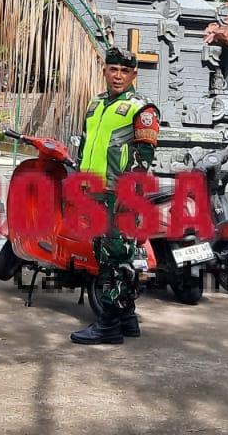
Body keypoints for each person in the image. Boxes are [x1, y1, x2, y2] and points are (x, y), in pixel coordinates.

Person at [70, 47, 160, 345]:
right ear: (105, 71)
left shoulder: (142, 108)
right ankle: (126, 318)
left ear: (134, 74)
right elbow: (86, 146)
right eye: (113, 69)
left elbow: (144, 156)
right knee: (108, 254)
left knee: (115, 258)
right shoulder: (95, 104)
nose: (118, 75)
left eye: (124, 71)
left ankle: (108, 325)